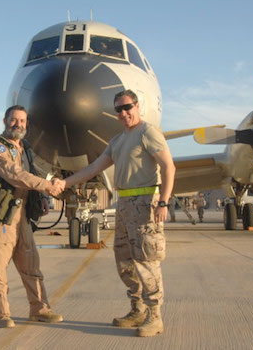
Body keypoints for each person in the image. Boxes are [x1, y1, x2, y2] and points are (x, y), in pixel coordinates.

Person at [63, 90, 175, 337]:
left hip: (145, 202)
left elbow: (169, 166)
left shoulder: (148, 132)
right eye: (119, 109)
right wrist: (64, 184)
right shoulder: (117, 141)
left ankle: (155, 317)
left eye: (127, 107)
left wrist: (164, 202)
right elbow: (94, 168)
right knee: (124, 260)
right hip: (124, 204)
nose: (123, 113)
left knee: (146, 259)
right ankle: (137, 309)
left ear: (137, 106)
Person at [0, 105, 64, 328]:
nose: (18, 124)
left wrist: (41, 198)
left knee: (31, 266)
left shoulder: (25, 149)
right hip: (1, 217)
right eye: (14, 120)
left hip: (22, 215)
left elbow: (30, 175)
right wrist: (46, 186)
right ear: (5, 120)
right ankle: (1, 314)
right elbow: (14, 175)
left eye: (22, 121)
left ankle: (40, 309)